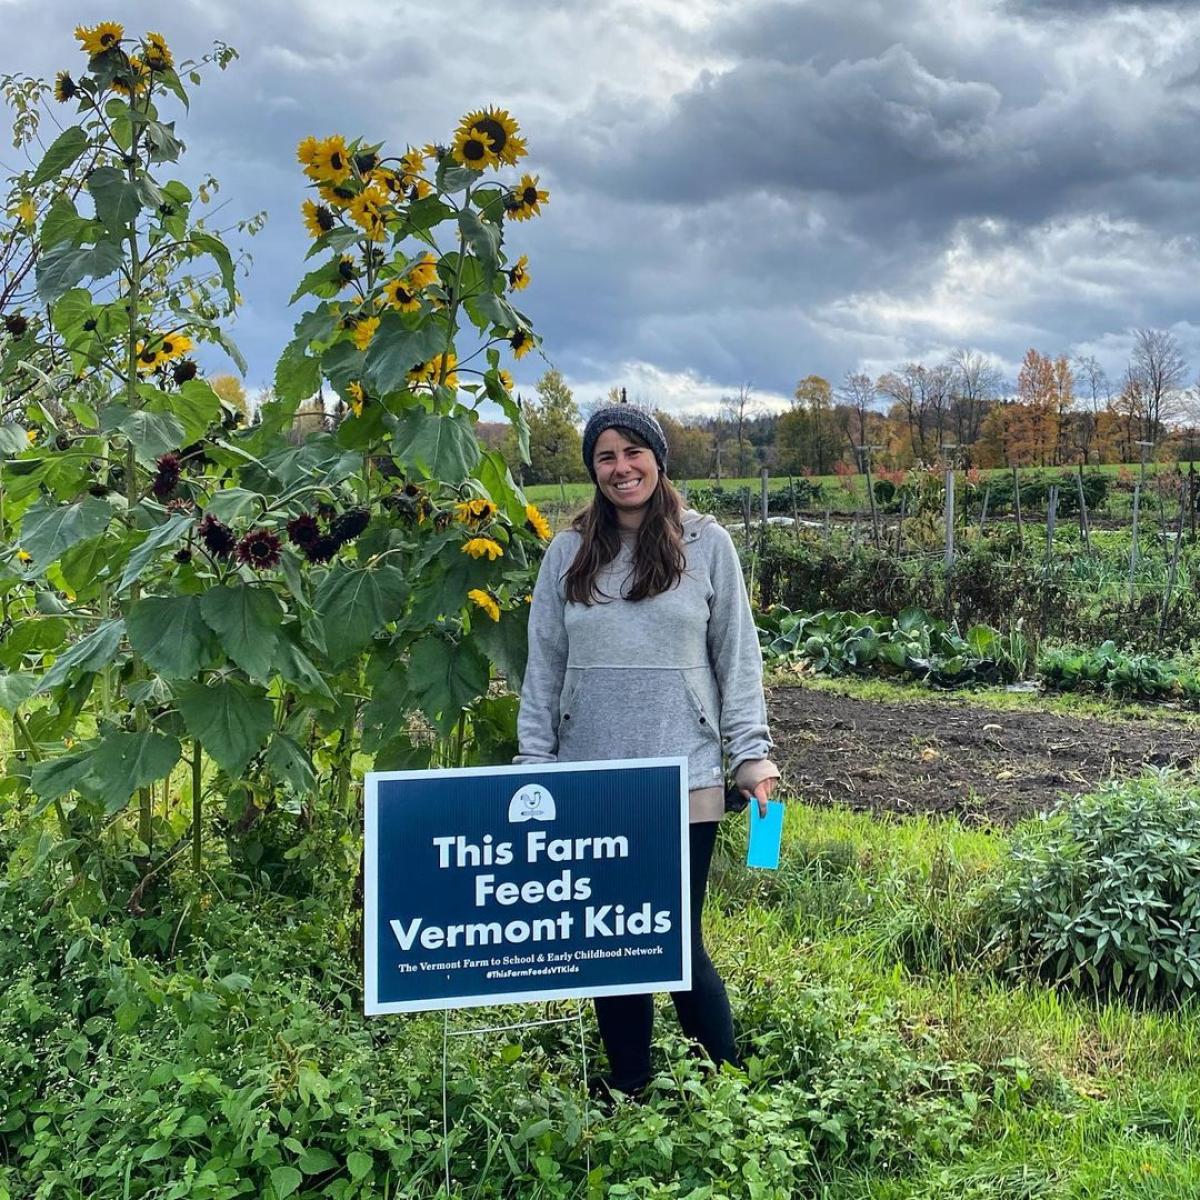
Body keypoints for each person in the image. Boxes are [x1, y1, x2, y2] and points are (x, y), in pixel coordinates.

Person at [515, 404, 780, 1100]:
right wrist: (534, 769)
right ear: (592, 470)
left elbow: (737, 657)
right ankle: (628, 1086)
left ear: (658, 460)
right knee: (609, 939)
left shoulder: (706, 543)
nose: (620, 467)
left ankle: (720, 1090)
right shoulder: (566, 553)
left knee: (673, 940)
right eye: (605, 456)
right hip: (590, 784)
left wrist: (751, 758)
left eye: (633, 451)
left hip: (684, 780)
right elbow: (542, 668)